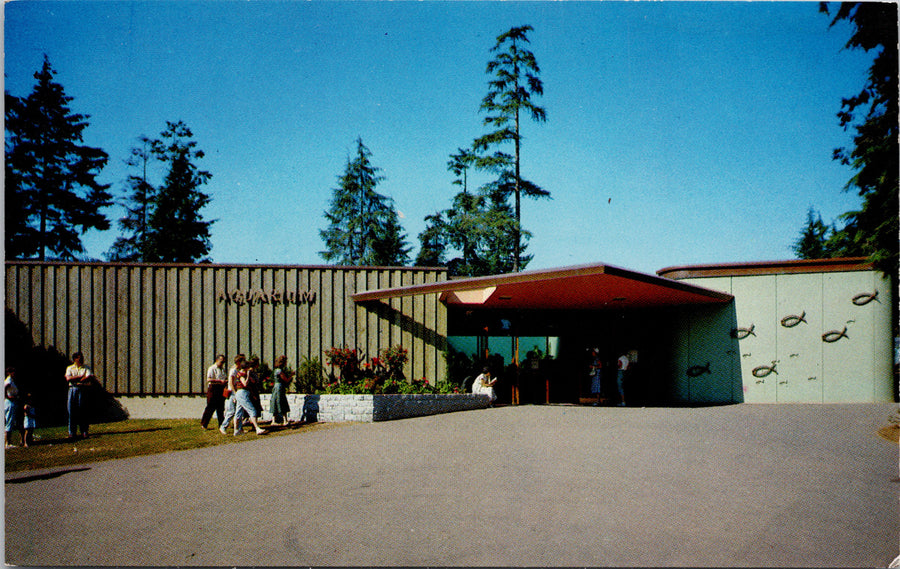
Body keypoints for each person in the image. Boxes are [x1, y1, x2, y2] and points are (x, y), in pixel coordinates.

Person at [65, 352, 94, 440]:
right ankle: (72, 432)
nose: (81, 359)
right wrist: (80, 377)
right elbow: (68, 378)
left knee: (83, 411)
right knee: (71, 411)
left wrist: (77, 379)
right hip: (72, 389)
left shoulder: (86, 368)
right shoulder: (70, 368)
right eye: (78, 358)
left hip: (82, 389)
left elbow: (89, 377)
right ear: (75, 359)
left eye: (81, 358)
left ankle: (84, 431)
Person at [233, 361, 266, 436]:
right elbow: (245, 384)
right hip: (242, 393)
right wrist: (248, 376)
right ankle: (257, 428)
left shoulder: (241, 373)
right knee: (252, 410)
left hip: (243, 393)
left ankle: (236, 430)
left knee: (238, 412)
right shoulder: (242, 374)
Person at [220, 354, 245, 435]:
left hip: (237, 392)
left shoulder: (239, 370)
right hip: (232, 393)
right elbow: (231, 382)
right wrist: (235, 393)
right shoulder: (233, 370)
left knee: (239, 411)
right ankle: (223, 426)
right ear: (238, 362)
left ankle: (239, 428)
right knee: (231, 411)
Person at [200, 354, 227, 429]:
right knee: (210, 407)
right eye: (221, 362)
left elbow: (224, 377)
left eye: (223, 362)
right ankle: (204, 424)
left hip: (221, 388)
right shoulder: (212, 368)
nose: (222, 364)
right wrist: (219, 381)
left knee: (220, 408)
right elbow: (209, 379)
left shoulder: (223, 369)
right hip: (213, 388)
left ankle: (221, 424)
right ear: (217, 360)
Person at [269, 355, 293, 425]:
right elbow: (285, 380)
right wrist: (291, 375)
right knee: (282, 402)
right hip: (279, 387)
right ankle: (285, 420)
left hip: (276, 387)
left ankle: (274, 420)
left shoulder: (275, 370)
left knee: (275, 401)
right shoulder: (279, 371)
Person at [5, 367, 21, 448]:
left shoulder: (12, 380)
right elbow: (5, 388)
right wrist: (7, 397)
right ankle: (7, 443)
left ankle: (9, 442)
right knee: (9, 421)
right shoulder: (9, 380)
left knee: (11, 421)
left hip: (13, 401)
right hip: (10, 402)